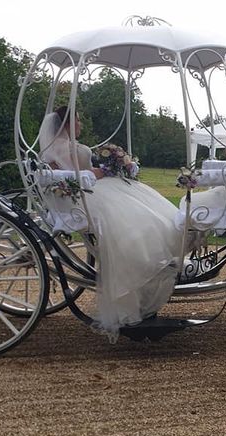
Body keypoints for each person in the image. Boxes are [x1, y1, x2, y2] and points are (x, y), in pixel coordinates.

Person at [38, 106, 182, 342]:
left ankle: (153, 264)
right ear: (66, 124)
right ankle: (147, 265)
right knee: (138, 215)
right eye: (77, 120)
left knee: (140, 203)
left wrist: (113, 168)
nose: (80, 124)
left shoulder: (55, 147)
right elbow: (81, 174)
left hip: (84, 192)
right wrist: (109, 170)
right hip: (85, 194)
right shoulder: (67, 147)